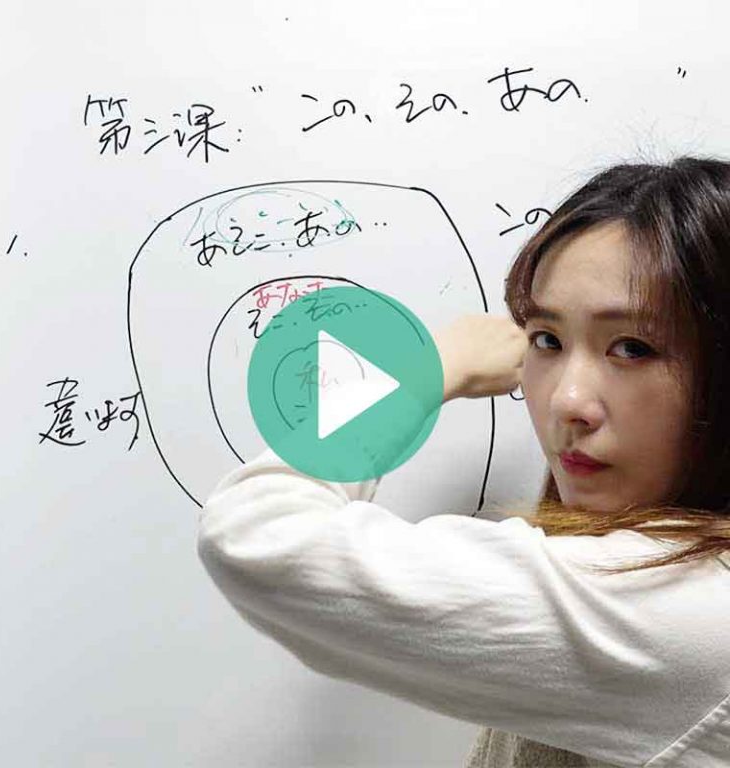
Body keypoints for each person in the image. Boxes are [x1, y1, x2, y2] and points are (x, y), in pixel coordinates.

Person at [197, 156, 730, 767]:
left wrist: (423, 373)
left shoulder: (680, 607)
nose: (567, 400)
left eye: (632, 348)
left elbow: (257, 534)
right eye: (547, 340)